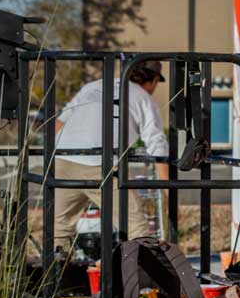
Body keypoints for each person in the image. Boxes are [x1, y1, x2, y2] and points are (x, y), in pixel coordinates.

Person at [52, 59, 171, 250]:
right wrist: (168, 190)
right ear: (154, 80)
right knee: (136, 229)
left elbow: (59, 124)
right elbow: (158, 147)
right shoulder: (143, 98)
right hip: (101, 165)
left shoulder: (94, 86)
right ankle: (140, 276)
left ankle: (54, 275)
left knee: (58, 230)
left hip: (63, 159)